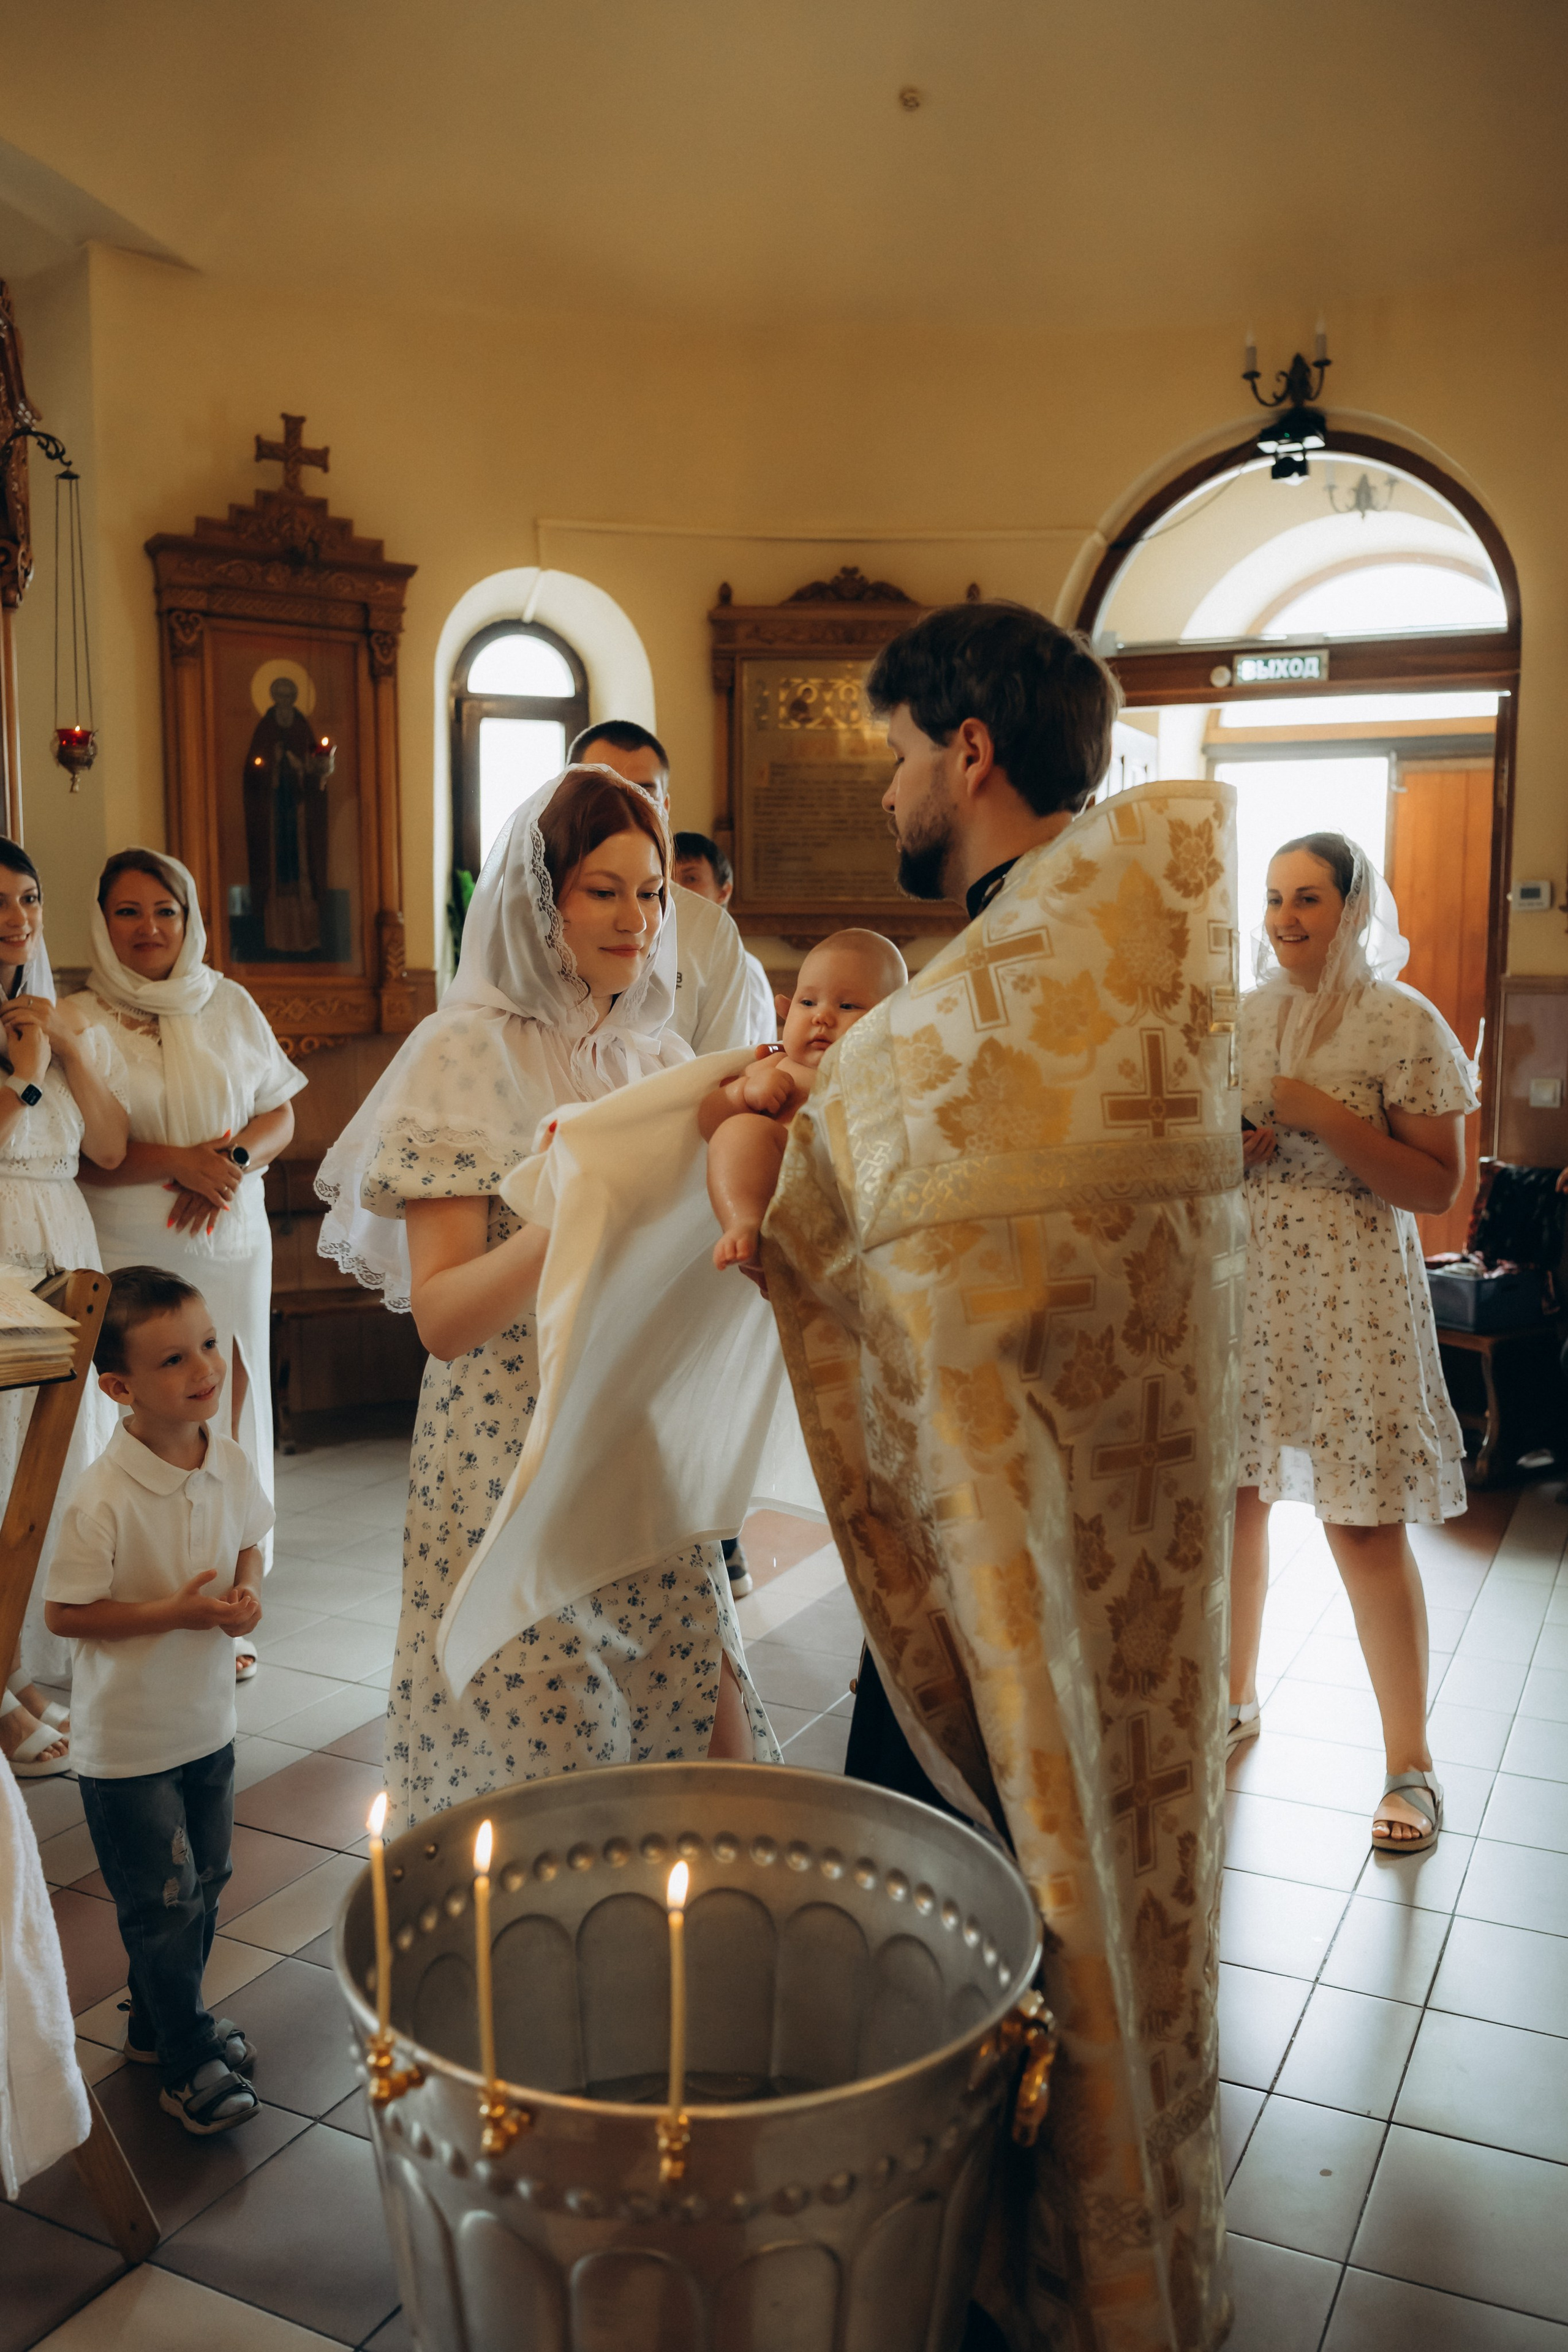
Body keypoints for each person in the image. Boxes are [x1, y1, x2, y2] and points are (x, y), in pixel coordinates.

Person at [761, 601, 1238, 2351]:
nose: (887, 783)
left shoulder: (971, 1018)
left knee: (971, 1895)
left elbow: (846, 1236)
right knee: (1108, 1885)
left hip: (1003, 1577)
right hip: (1138, 1552)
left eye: (894, 749)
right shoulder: (1136, 966)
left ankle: (980, 2274)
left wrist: (770, 1159)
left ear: (969, 752)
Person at [317, 766, 780, 1830]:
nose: (637, 919)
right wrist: (579, 1205)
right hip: (506, 1450)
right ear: (545, 900)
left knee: (704, 1751)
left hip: (639, 1447)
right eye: (604, 890)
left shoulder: (655, 1056)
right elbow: (443, 1320)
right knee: (549, 1765)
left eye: (654, 892)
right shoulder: (465, 1052)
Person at [1231, 832, 1473, 1852]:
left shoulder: (1402, 1022)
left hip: (1353, 1294)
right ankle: (1230, 1702)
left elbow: (1437, 1187)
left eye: (1312, 898)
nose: (1288, 917)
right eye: (1277, 897)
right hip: (1248, 1290)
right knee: (1233, 1502)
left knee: (1363, 1525)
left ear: (1355, 908)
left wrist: (1326, 1115)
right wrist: (1236, 1143)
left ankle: (1410, 1766)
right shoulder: (1243, 1018)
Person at [43, 1267, 270, 2135]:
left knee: (206, 1882)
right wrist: (172, 1612)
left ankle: (155, 2025)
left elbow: (250, 1542)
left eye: (209, 1344)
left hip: (206, 1724)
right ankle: (186, 2059)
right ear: (120, 1388)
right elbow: (65, 1612)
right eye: (174, 1358)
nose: (205, 1367)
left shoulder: (231, 1460)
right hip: (129, 1746)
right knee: (164, 1906)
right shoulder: (101, 1497)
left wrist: (246, 1594)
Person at [70, 850, 305, 1683]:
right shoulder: (79, 1020)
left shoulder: (229, 1002)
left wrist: (233, 1159)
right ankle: (140, 1594)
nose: (149, 928)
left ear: (191, 918)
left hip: (233, 1243)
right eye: (128, 912)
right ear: (102, 922)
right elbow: (79, 1155)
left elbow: (279, 1107)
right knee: (136, 1415)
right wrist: (181, 1163)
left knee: (226, 1409)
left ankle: (234, 1598)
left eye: (164, 911)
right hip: (129, 1241)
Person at [571, 724, 774, 1594]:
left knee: (677, 1411)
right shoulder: (537, 917)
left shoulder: (704, 934)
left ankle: (703, 1533)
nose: (627, 804)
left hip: (686, 1194)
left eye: (647, 790)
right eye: (600, 783)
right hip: (576, 1203)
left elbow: (726, 1071)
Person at [0, 839, 129, 1778]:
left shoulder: (52, 1013)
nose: (18, 918)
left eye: (30, 898)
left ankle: (13, 1662)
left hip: (66, 1238)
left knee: (48, 1465)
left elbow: (113, 1147)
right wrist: (23, 1074)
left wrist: (71, 1046)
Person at [702, 929, 905, 1270]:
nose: (821, 1017)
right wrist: (744, 1093)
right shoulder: (776, 1065)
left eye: (847, 1006)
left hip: (847, 1195)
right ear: (785, 1008)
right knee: (738, 1132)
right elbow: (708, 1122)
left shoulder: (887, 1074)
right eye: (808, 1002)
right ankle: (745, 1223)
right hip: (777, 1175)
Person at [673, 829, 777, 1046]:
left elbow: (734, 1056)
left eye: (690, 878)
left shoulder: (744, 968)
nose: (677, 892)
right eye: (667, 879)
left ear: (724, 892)